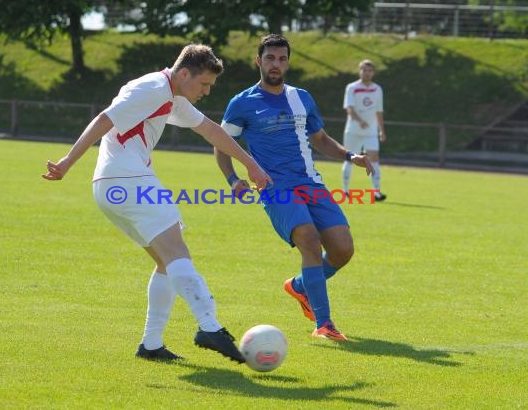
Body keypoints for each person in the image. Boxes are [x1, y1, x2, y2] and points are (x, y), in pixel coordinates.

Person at [42, 43, 272, 362]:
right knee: (178, 253)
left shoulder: (170, 95)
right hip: (127, 181)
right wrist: (68, 161)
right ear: (185, 73)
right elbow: (104, 119)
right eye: (204, 84)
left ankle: (151, 345)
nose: (206, 91)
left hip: (114, 186)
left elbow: (210, 130)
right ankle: (209, 325)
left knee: (166, 261)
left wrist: (251, 164)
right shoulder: (152, 88)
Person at [214, 34, 373, 342]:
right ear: (258, 61)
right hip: (274, 186)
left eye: (282, 59)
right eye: (270, 58)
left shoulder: (302, 97)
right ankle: (324, 324)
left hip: (310, 182)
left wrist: (350, 156)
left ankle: (300, 286)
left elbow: (321, 140)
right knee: (310, 240)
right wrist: (233, 179)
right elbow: (222, 144)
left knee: (342, 249)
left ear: (288, 62)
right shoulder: (242, 103)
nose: (276, 64)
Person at [342, 59, 387, 201]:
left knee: (374, 158)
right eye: (364, 70)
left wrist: (381, 130)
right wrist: (360, 121)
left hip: (370, 132)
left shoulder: (377, 89)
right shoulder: (352, 87)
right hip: (353, 131)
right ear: (359, 71)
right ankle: (345, 190)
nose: (366, 73)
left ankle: (376, 192)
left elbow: (379, 111)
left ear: (373, 73)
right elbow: (349, 108)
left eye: (369, 70)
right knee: (350, 159)